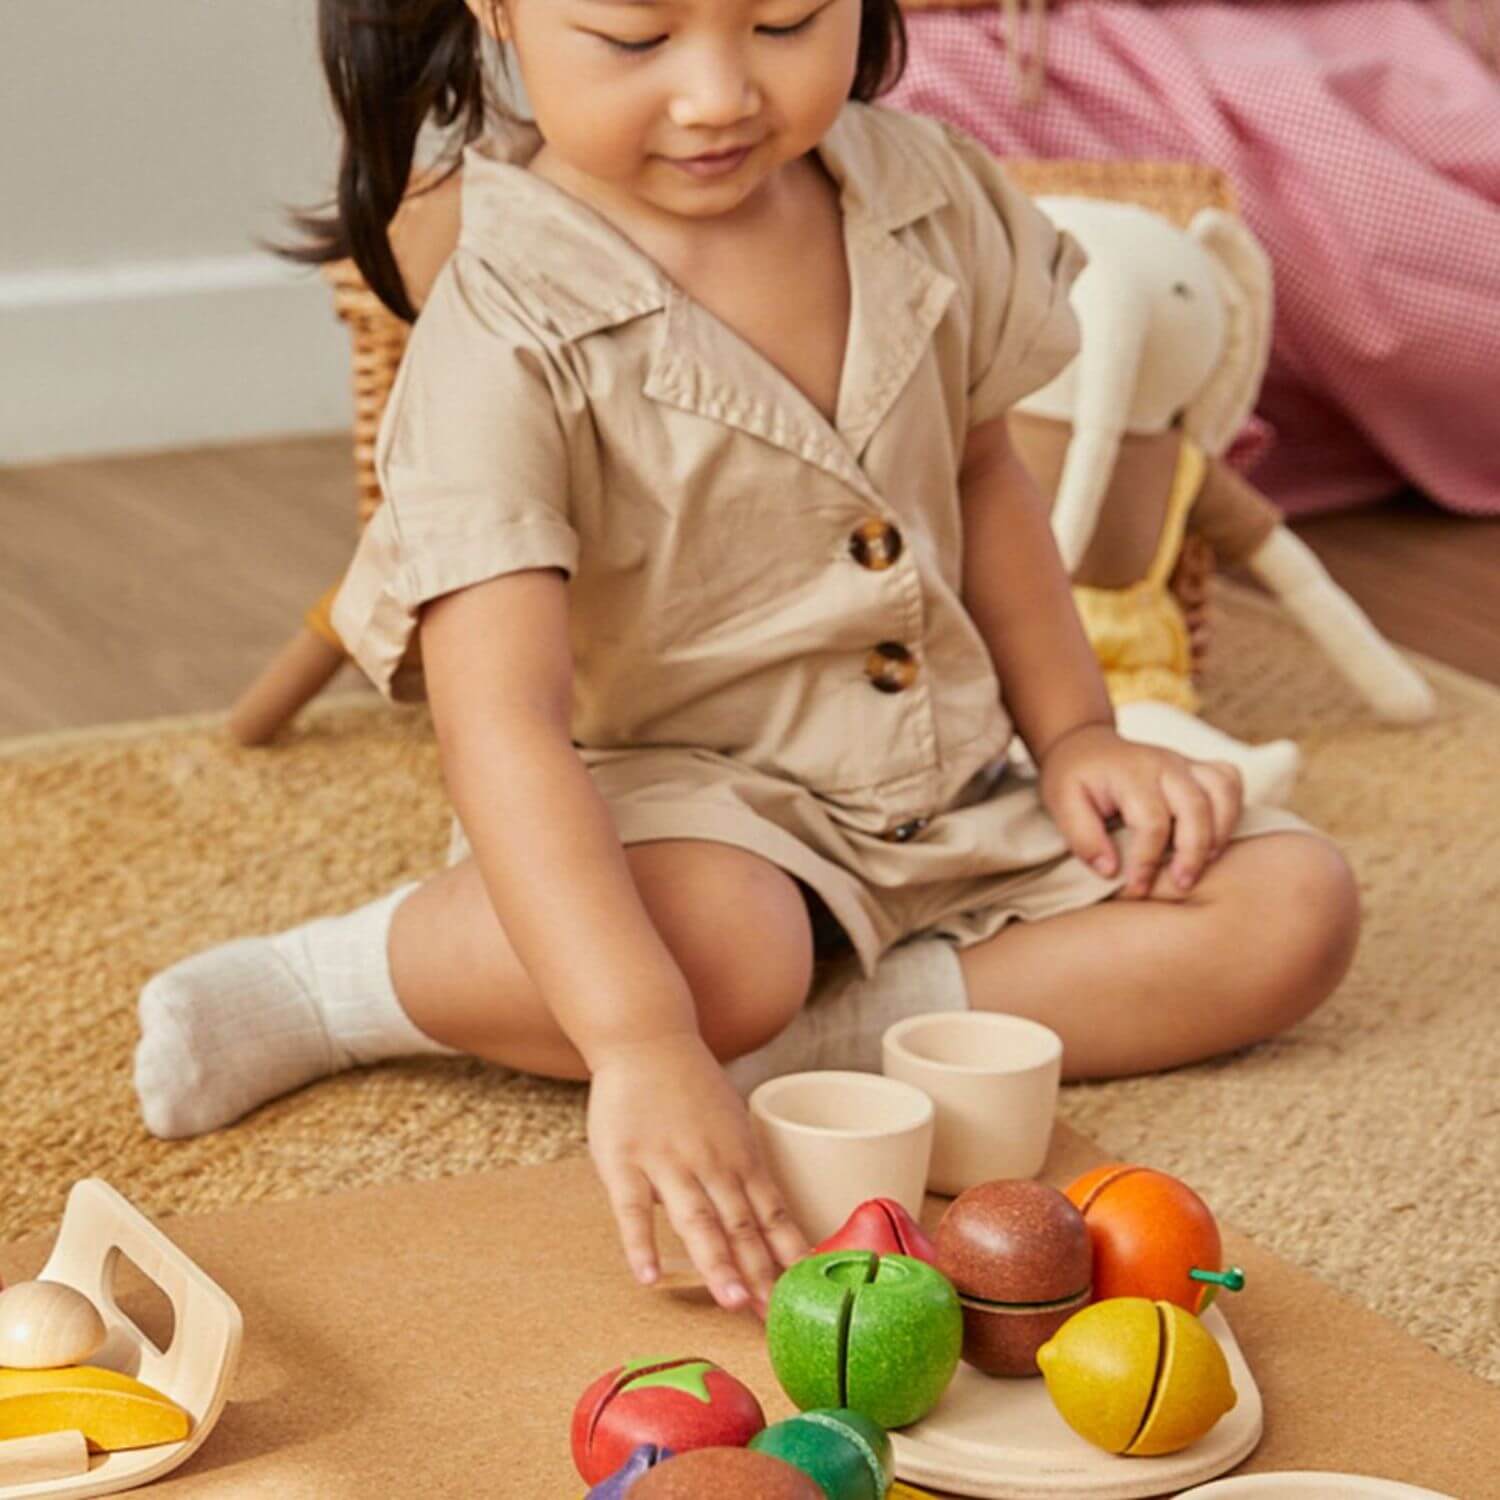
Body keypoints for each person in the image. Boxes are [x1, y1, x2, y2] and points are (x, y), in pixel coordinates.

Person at [134, 0, 1360, 1320]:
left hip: (944, 787)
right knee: (724, 956)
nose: (721, 93)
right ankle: (344, 981)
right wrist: (643, 1043)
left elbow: (988, 474)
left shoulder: (929, 192)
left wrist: (1077, 737)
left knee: (1291, 905)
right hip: (679, 811)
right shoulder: (498, 330)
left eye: (785, 20)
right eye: (635, 41)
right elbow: (503, 726)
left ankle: (828, 1030)